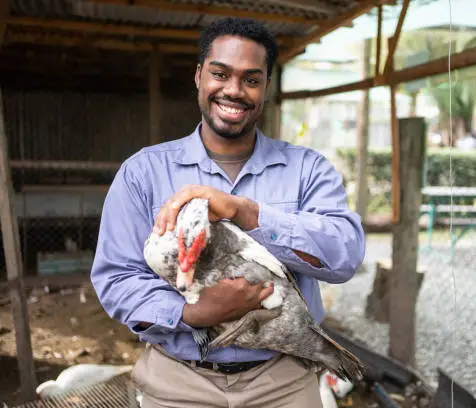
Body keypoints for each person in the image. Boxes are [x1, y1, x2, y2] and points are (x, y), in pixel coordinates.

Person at [90, 16, 366, 408]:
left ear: (265, 87)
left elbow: (345, 256)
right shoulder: (142, 173)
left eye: (251, 80)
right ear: (200, 76)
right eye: (220, 74)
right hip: (178, 382)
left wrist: (247, 213)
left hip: (284, 381)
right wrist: (194, 312)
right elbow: (116, 278)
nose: (234, 90)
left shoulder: (308, 170)